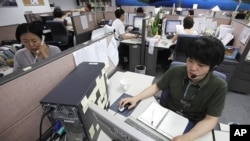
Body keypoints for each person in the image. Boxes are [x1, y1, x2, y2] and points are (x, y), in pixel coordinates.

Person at [119, 36, 227, 141]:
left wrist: (188, 137)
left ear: (212, 68)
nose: (192, 68)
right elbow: (156, 86)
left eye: (201, 65)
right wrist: (136, 98)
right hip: (166, 114)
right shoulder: (176, 71)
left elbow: (211, 119)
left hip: (190, 123)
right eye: (190, 60)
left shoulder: (219, 86)